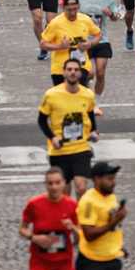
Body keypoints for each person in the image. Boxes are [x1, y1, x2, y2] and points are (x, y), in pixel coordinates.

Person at [39, 57, 100, 198]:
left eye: (76, 70)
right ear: (64, 72)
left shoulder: (88, 94)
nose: (73, 72)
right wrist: (52, 137)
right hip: (59, 151)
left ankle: (80, 218)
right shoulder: (51, 95)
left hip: (81, 148)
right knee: (64, 193)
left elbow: (90, 114)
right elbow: (41, 120)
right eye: (69, 69)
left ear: (80, 73)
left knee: (81, 187)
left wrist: (93, 131)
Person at [21, 168, 79, 270]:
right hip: (40, 261)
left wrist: (73, 227)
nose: (54, 187)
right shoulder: (34, 204)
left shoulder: (72, 205)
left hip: (63, 261)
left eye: (57, 183)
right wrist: (34, 237)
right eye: (50, 183)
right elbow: (23, 229)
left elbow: (82, 234)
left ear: (64, 183)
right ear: (45, 184)